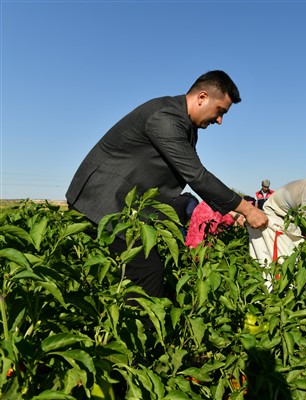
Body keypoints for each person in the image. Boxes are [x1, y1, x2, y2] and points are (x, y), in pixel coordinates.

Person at [66, 70, 268, 298]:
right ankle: (146, 331)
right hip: (103, 202)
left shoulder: (185, 124)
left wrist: (234, 213)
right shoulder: (166, 118)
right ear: (202, 97)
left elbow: (193, 176)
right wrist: (247, 208)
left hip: (121, 207)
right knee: (147, 272)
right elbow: (197, 176)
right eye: (220, 111)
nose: (220, 120)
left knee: (137, 272)